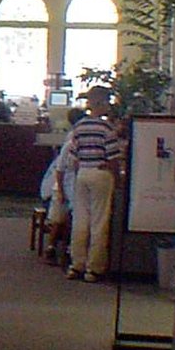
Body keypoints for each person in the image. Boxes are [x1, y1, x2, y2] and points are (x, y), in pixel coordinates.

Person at [65, 88, 123, 282]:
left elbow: (73, 157)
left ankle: (76, 265)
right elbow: (113, 158)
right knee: (99, 222)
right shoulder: (106, 128)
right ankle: (94, 268)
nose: (109, 106)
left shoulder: (79, 127)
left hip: (82, 173)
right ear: (101, 103)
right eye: (107, 102)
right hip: (101, 174)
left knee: (80, 220)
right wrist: (118, 179)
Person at [39, 108, 86, 266]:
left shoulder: (76, 140)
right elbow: (60, 170)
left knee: (73, 216)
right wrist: (60, 191)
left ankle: (68, 249)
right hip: (62, 184)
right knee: (60, 216)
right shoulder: (70, 143)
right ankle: (52, 248)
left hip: (74, 185)